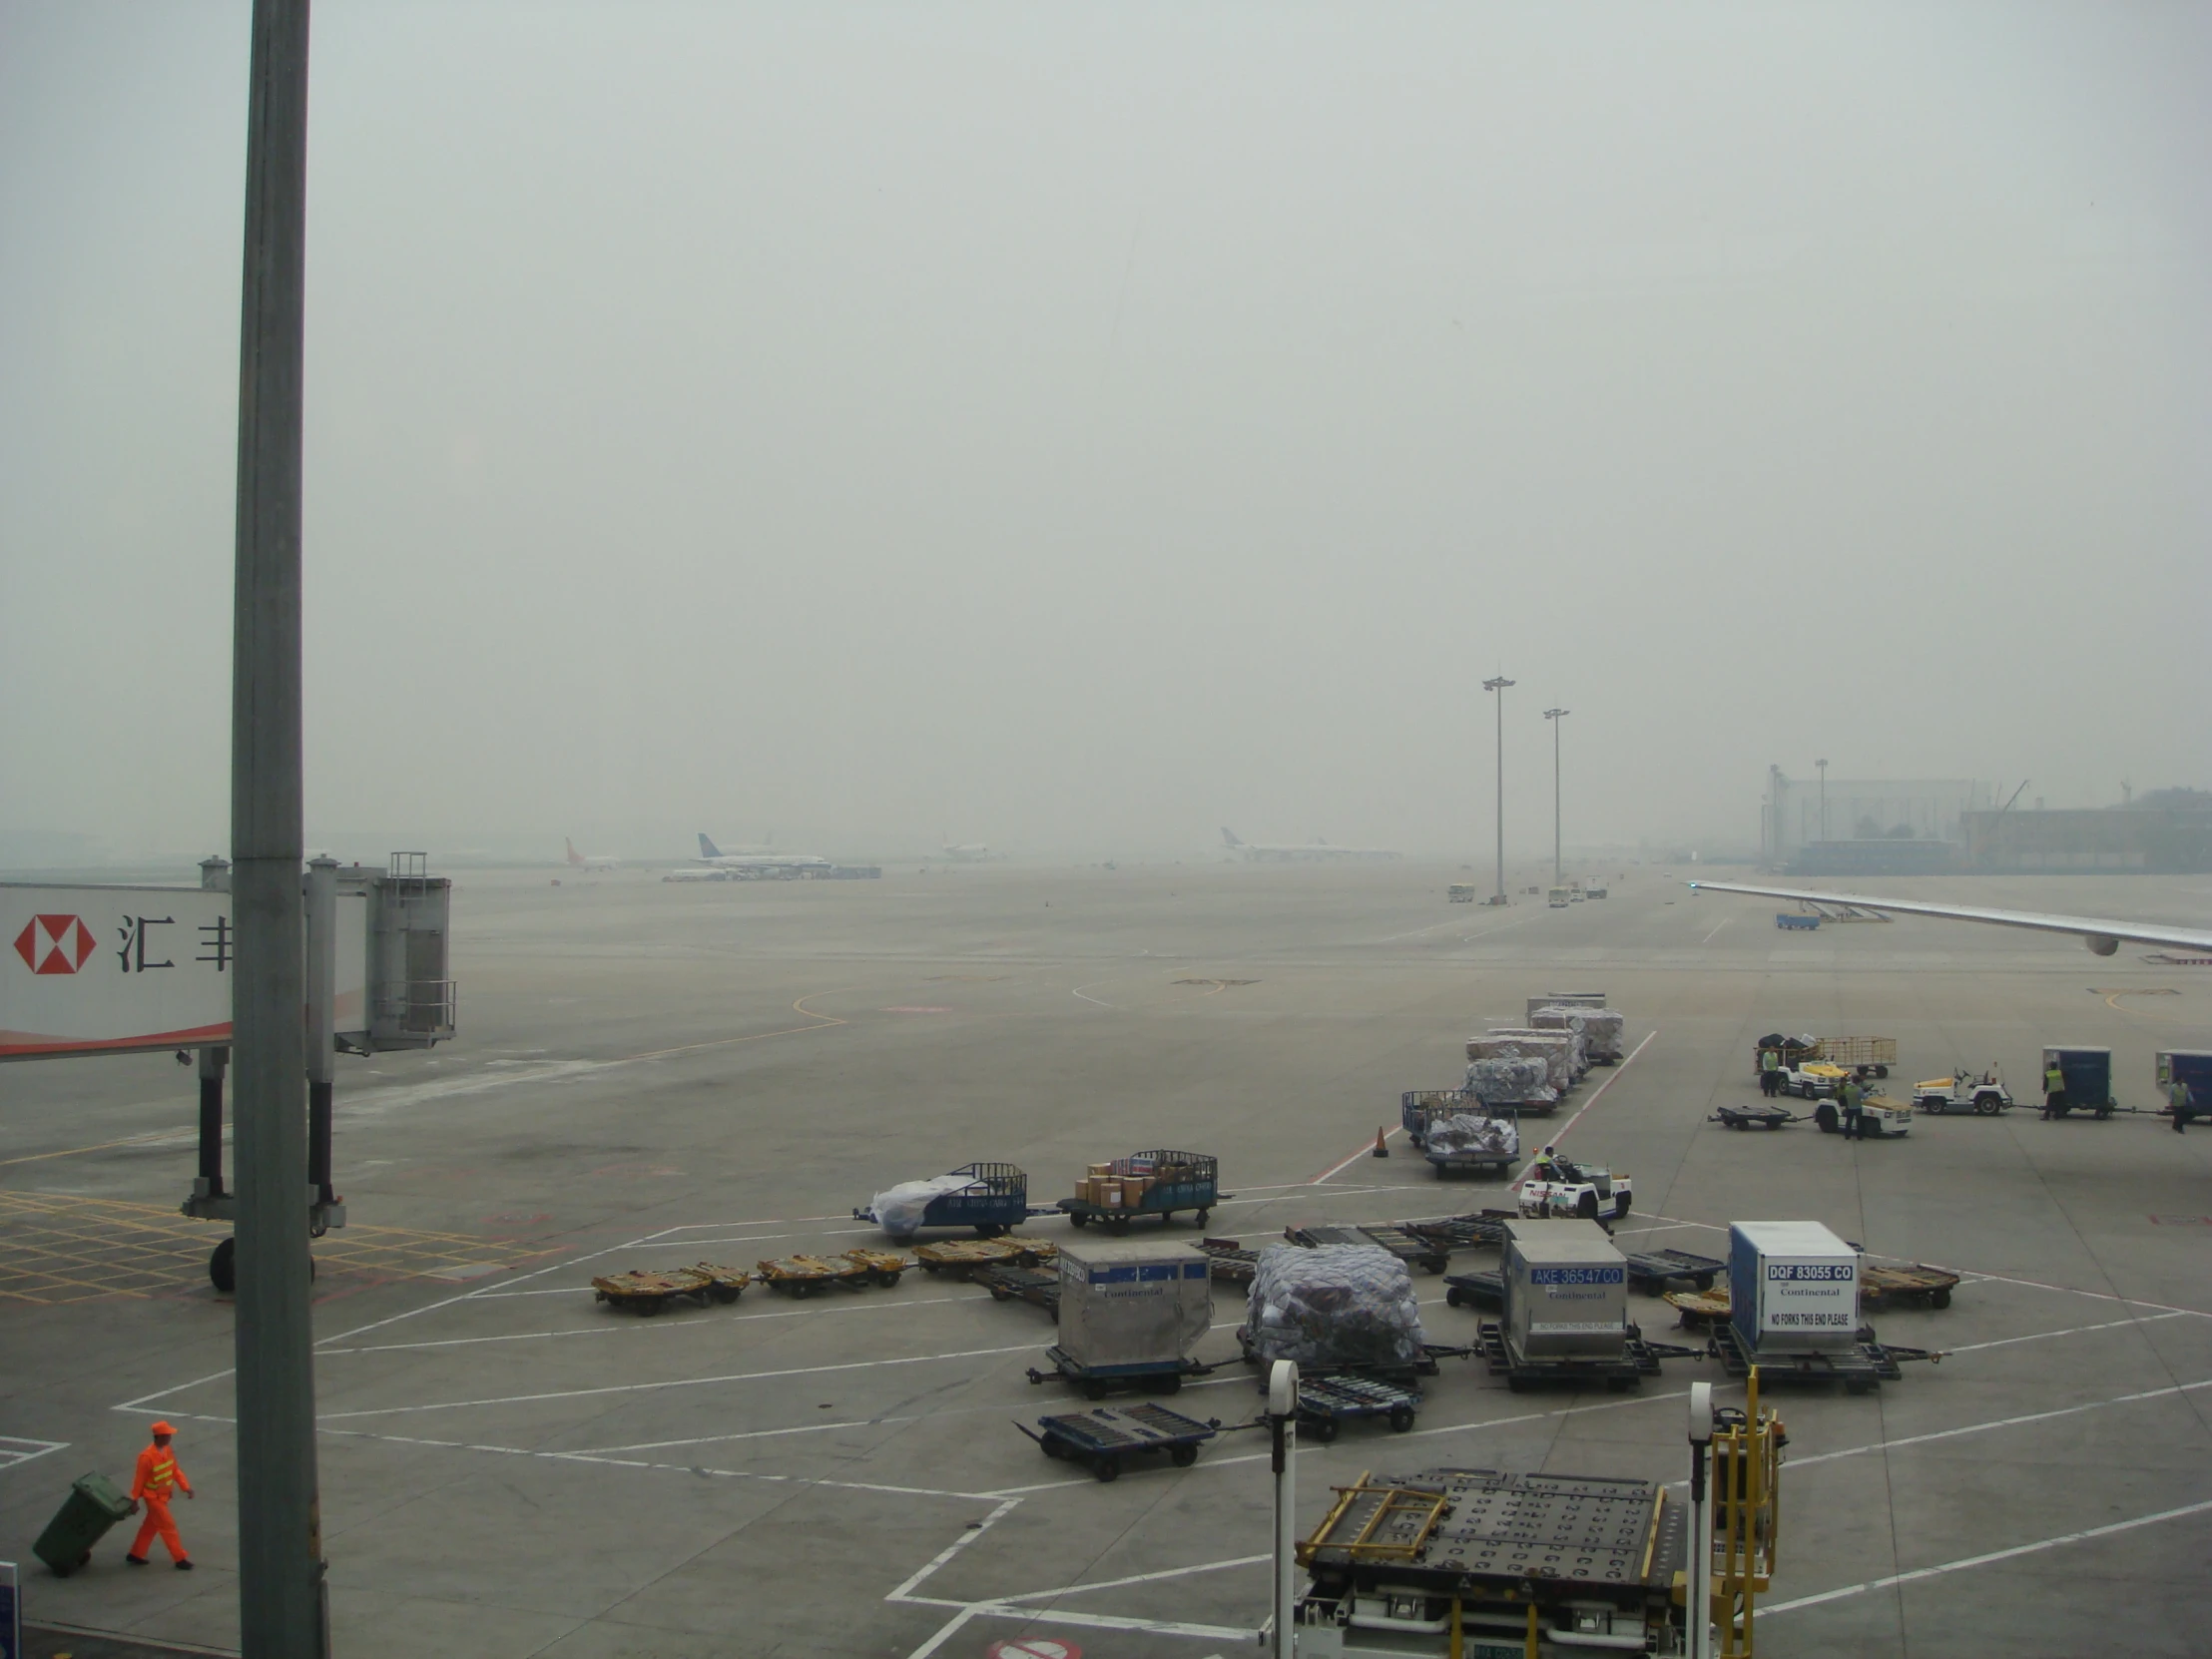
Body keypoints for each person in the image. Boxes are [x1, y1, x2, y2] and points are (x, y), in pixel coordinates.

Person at [125, 1420, 194, 1569]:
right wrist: (134, 1499)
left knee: (150, 1526)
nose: (170, 1438)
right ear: (160, 1437)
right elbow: (139, 1480)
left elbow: (175, 1470)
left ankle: (136, 1553)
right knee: (168, 1526)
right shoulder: (146, 1457)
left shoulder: (167, 1450)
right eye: (168, 1435)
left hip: (163, 1497)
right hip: (153, 1498)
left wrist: (185, 1487)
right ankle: (180, 1559)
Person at [1839, 1075, 1865, 1141]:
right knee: (1859, 1123)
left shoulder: (1847, 1088)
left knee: (1848, 1122)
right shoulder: (1859, 1089)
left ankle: (1847, 1135)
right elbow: (1863, 1097)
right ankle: (1859, 1136)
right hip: (1857, 1108)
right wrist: (1867, 1093)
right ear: (1858, 1082)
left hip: (1850, 1107)